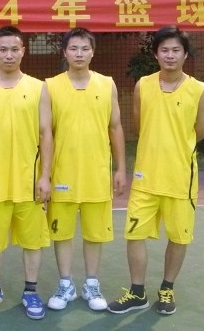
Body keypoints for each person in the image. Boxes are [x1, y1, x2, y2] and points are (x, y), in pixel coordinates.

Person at [107, 25, 204, 316]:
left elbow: (199, 132)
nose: (170, 55)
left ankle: (167, 289)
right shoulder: (143, 85)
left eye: (176, 50)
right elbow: (141, 125)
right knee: (134, 234)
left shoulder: (198, 91)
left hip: (180, 179)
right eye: (164, 50)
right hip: (146, 177)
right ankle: (137, 292)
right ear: (156, 54)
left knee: (178, 237)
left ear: (185, 55)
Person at [0, 26, 53, 320]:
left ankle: (31, 291)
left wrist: (45, 176)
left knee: (33, 241)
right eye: (3, 49)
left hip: (29, 182)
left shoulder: (38, 88)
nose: (9, 55)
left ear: (23, 51)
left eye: (14, 49)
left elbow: (46, 133)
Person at [45, 28, 127, 312]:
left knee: (94, 233)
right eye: (73, 48)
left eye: (84, 48)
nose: (79, 54)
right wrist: (45, 174)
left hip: (97, 173)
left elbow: (115, 127)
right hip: (62, 173)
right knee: (62, 233)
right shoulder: (50, 86)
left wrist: (121, 168)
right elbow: (46, 133)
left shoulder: (107, 84)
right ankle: (65, 284)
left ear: (93, 52)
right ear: (64, 52)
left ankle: (91, 284)